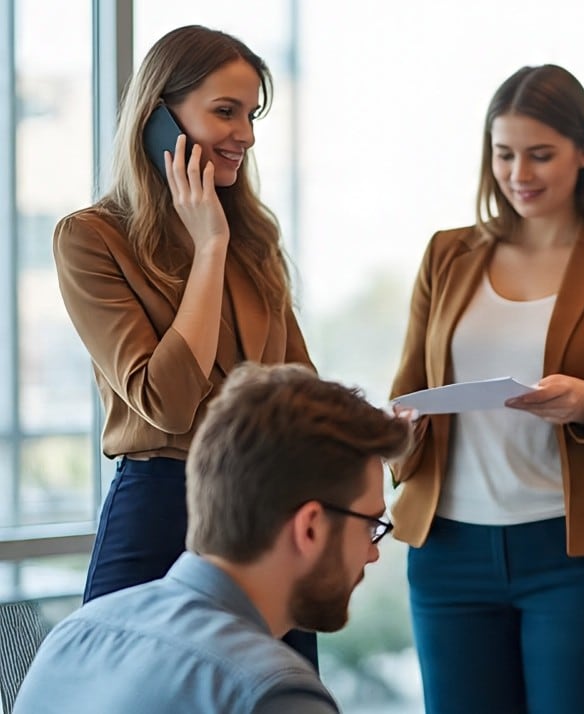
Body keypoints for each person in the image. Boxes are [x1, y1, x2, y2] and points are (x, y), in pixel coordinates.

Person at [389, 64, 584, 713]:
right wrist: (393, 432)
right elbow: (406, 394)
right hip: (447, 553)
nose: (518, 173)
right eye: (503, 154)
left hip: (572, 557)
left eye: (539, 155)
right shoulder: (447, 254)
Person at [51, 25, 318, 664]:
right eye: (224, 111)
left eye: (250, 115)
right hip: (163, 505)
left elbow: (301, 392)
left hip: (263, 509)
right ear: (158, 120)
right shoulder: (90, 240)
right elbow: (167, 404)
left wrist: (376, 426)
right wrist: (208, 248)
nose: (246, 135)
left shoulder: (254, 242)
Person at [14, 363, 411, 713]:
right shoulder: (270, 692)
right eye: (370, 526)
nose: (373, 554)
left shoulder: (75, 634)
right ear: (309, 527)